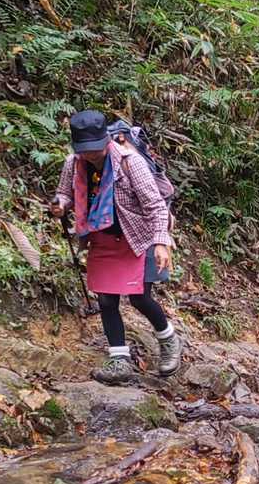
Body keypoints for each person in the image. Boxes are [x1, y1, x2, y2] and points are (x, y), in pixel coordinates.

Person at [49, 110, 183, 383]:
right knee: (106, 299)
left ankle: (169, 340)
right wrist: (61, 204)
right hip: (103, 236)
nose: (91, 154)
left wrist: (161, 242)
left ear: (106, 141)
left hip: (139, 236)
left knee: (140, 297)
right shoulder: (74, 163)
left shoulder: (130, 162)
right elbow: (65, 192)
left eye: (95, 148)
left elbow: (155, 205)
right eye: (85, 149)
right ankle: (119, 360)